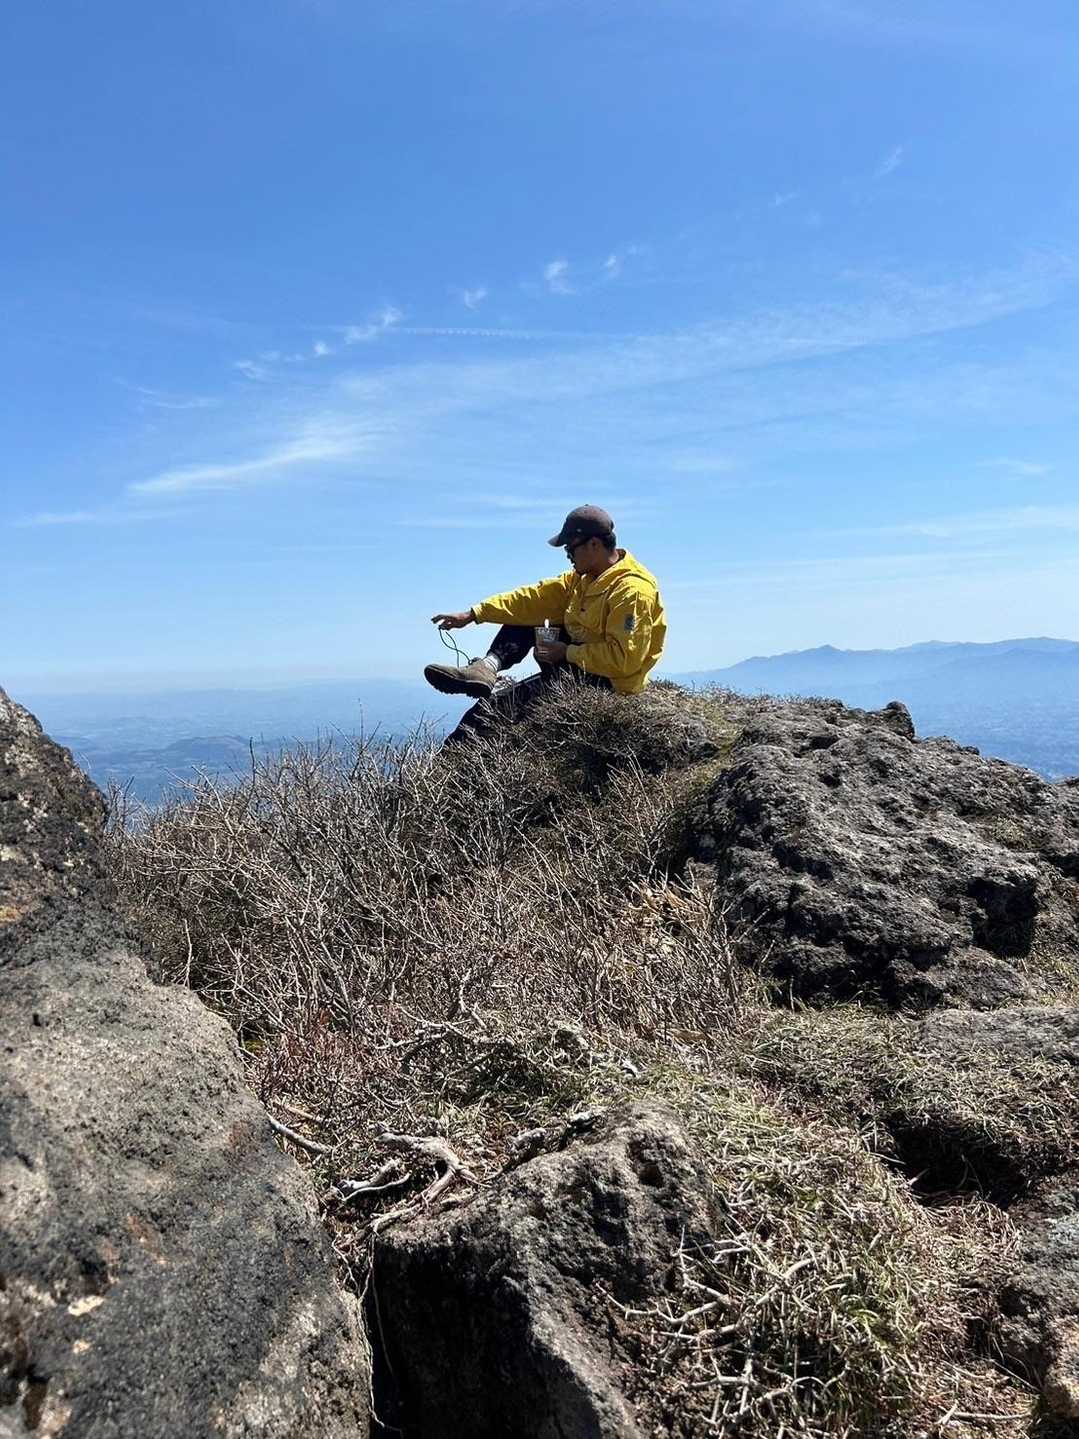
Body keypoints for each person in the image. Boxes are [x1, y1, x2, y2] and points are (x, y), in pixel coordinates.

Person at [425, 505, 667, 742]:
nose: (568, 555)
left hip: (607, 684)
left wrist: (567, 652)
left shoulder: (632, 592)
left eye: (570, 548)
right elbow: (531, 600)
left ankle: (450, 762)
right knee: (530, 613)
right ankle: (487, 667)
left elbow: (624, 661)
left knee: (485, 716)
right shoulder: (582, 579)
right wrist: (473, 614)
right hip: (578, 666)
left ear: (594, 544)